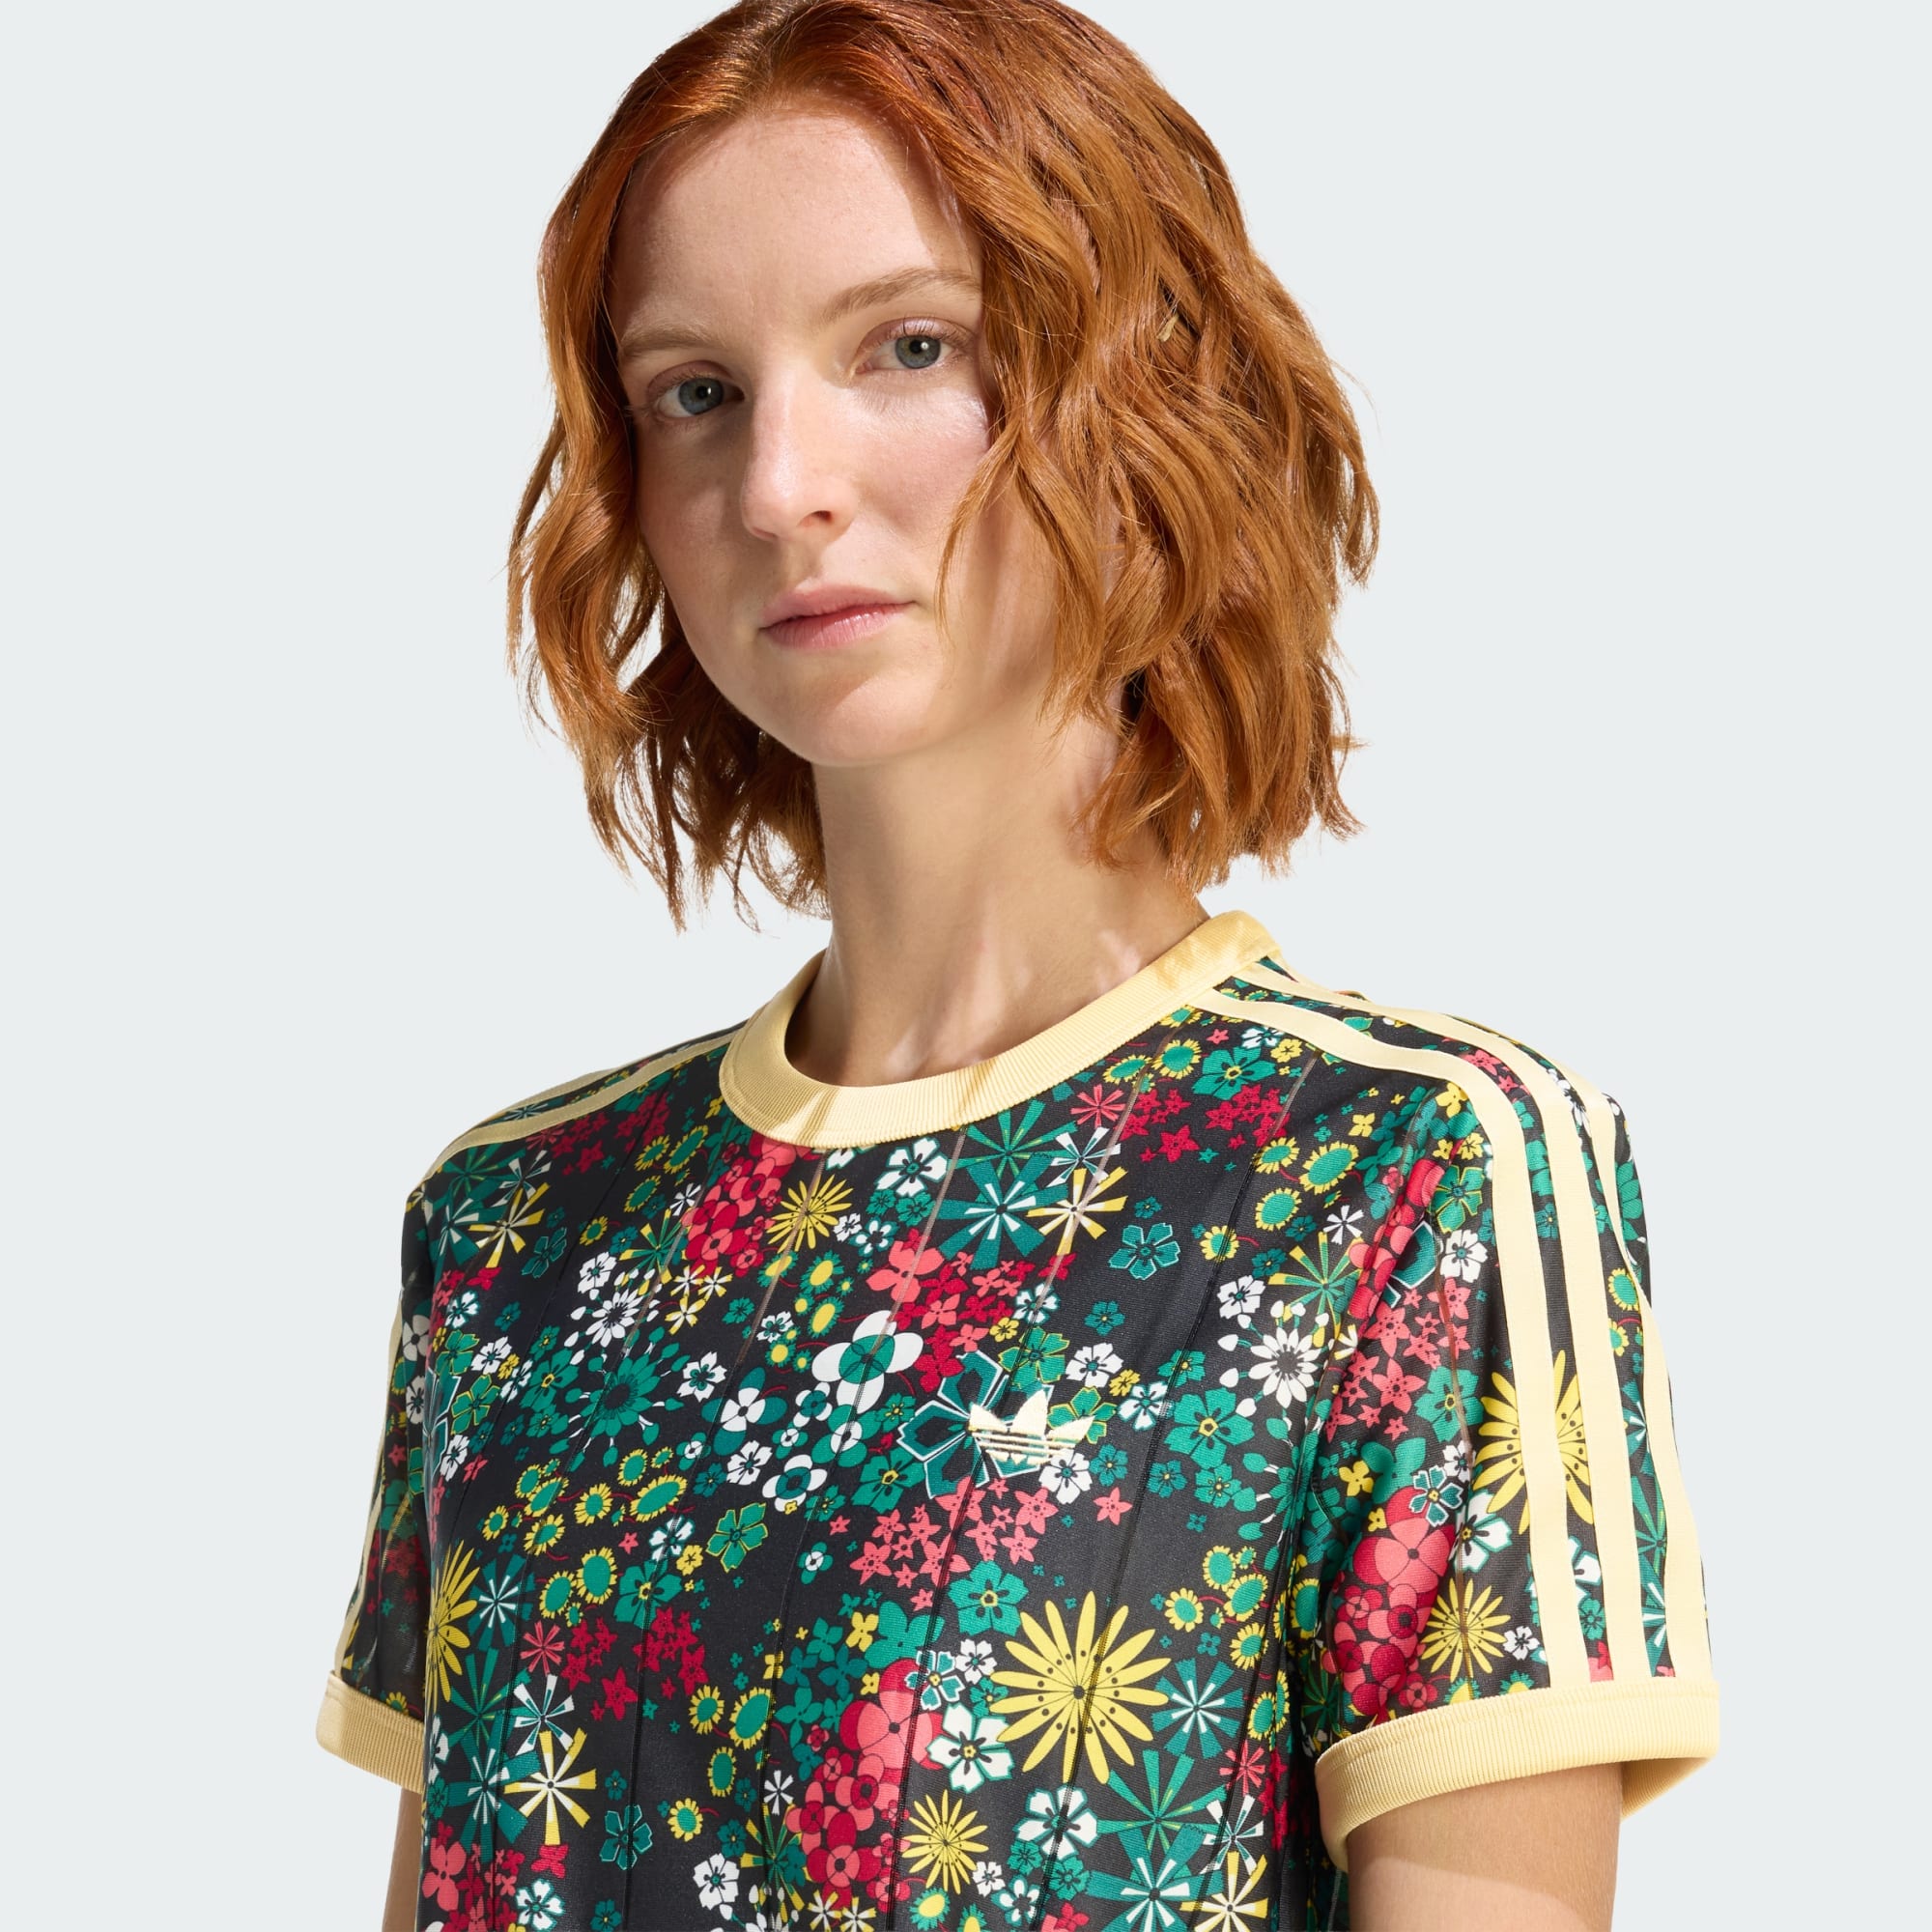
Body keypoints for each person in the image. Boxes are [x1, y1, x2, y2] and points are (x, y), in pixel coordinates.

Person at [312, 3, 1719, 1926]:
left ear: (1145, 390)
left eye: (909, 347)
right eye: (694, 390)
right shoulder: (517, 1232)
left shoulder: (1411, 1179)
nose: (781, 482)